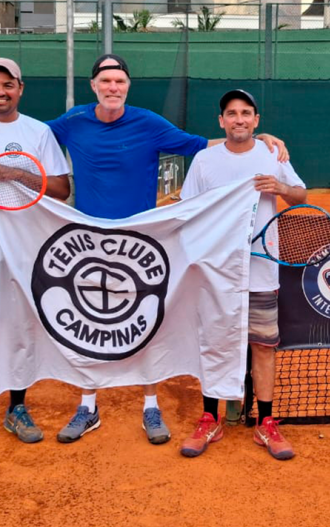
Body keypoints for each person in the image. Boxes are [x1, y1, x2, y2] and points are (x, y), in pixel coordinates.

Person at [44, 56, 288, 445]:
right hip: (87, 242)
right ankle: (87, 405)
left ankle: (151, 406)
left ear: (127, 86)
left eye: (119, 81)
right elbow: (34, 135)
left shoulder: (149, 123)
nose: (112, 87)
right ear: (94, 85)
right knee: (89, 323)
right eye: (106, 81)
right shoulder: (72, 121)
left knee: (145, 320)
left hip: (141, 241)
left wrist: (260, 139)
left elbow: (205, 144)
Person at [179, 89, 306, 460]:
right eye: (232, 113)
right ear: (221, 121)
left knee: (263, 347)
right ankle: (210, 417)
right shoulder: (204, 160)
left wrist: (281, 187)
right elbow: (188, 210)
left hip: (261, 272)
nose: (239, 119)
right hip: (217, 274)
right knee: (214, 343)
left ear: (256, 120)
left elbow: (300, 194)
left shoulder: (272, 154)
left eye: (246, 113)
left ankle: (266, 422)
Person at [0, 57, 70, 444]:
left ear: (20, 89)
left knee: (19, 325)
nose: (1, 91)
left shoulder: (38, 132)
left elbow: (61, 189)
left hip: (23, 245)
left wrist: (15, 173)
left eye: (8, 84)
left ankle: (16, 408)